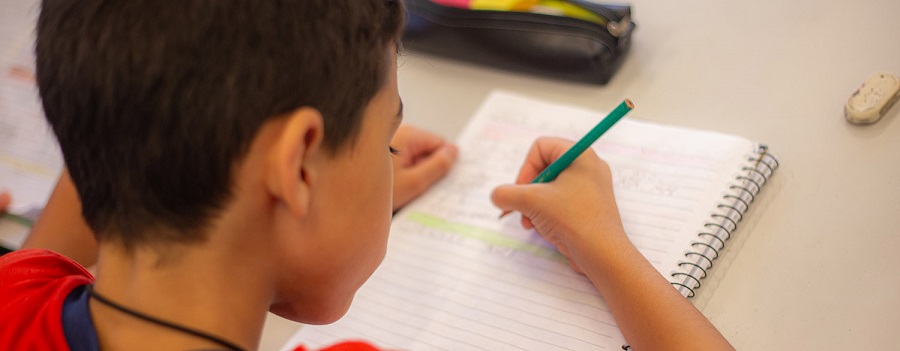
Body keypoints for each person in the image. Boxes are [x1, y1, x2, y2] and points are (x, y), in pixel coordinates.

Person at [0, 1, 733, 351]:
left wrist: (323, 195)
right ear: (297, 167)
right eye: (383, 137)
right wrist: (605, 244)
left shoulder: (15, 295)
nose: (386, 157)